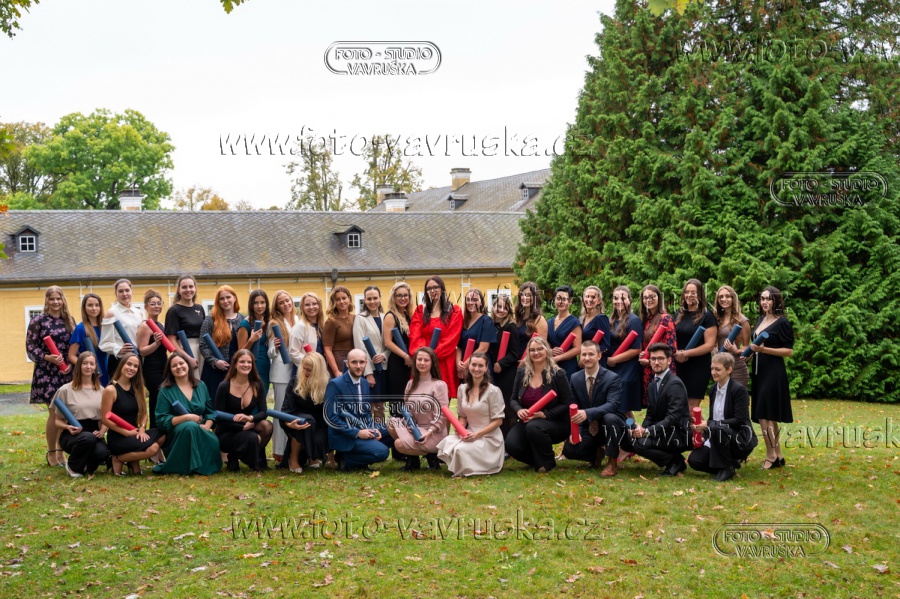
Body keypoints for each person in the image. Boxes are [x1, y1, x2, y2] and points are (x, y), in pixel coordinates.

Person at [505, 337, 573, 472]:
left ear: (547, 350)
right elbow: (513, 399)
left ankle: (547, 462)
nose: (536, 353)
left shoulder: (558, 374)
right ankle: (537, 460)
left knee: (534, 427)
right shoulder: (522, 373)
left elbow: (567, 403)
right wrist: (519, 410)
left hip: (555, 421)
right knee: (511, 444)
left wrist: (544, 414)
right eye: (532, 350)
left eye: (540, 349)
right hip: (528, 420)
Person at [688, 353, 758, 481]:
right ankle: (729, 464)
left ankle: (726, 469)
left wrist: (710, 425)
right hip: (717, 436)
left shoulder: (739, 390)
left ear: (729, 370)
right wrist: (704, 435)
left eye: (718, 369)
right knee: (695, 460)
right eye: (712, 369)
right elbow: (713, 418)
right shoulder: (713, 390)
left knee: (718, 428)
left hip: (738, 439)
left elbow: (739, 420)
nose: (713, 372)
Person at [746, 286, 794, 470]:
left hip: (773, 371)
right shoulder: (760, 319)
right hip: (759, 371)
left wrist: (764, 350)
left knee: (764, 414)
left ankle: (770, 455)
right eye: (762, 299)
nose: (765, 302)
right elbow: (755, 346)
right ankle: (778, 454)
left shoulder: (782, 322)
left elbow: (788, 351)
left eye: (769, 299)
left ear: (776, 301)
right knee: (769, 416)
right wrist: (748, 353)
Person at [27, 286, 75, 468]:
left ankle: (62, 451)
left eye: (58, 298)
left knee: (66, 413)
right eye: (52, 298)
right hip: (47, 372)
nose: (55, 302)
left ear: (63, 300)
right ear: (46, 300)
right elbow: (30, 347)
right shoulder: (38, 321)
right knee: (54, 412)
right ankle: (51, 452)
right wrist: (48, 357)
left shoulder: (69, 320)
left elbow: (74, 345)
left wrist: (70, 364)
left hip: (66, 371)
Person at [626, 343, 690, 476]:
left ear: (669, 360)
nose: (656, 362)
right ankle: (673, 459)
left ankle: (675, 461)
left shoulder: (675, 384)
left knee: (640, 444)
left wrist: (648, 432)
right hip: (662, 431)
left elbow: (673, 418)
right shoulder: (652, 385)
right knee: (632, 439)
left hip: (677, 434)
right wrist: (641, 430)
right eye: (653, 359)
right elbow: (650, 414)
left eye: (660, 358)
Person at [561, 340, 625, 476]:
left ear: (599, 356)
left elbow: (612, 405)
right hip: (588, 426)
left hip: (610, 425)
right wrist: (576, 431)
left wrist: (587, 413)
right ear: (580, 357)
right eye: (584, 354)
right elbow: (574, 407)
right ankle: (596, 454)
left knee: (610, 418)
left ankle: (612, 463)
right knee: (570, 450)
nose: (587, 358)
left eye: (591, 354)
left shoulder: (612, 378)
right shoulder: (575, 378)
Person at [437, 353, 505, 477]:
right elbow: (462, 415)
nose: (476, 369)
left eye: (480, 366)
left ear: (486, 368)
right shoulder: (462, 389)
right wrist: (460, 428)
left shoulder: (493, 391)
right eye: (473, 365)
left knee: (460, 449)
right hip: (469, 433)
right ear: (469, 366)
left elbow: (498, 421)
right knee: (446, 442)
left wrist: (477, 435)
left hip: (488, 437)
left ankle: (479, 465)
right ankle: (463, 465)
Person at [324, 349, 392, 472]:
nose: (358, 366)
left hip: (362, 428)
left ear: (366, 363)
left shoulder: (365, 383)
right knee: (382, 452)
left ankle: (360, 455)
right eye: (354, 362)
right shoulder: (335, 384)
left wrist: (372, 428)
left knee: (393, 429)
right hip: (344, 436)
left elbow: (366, 412)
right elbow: (332, 418)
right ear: (347, 364)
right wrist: (358, 433)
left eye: (361, 362)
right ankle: (345, 459)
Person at [153, 353, 221, 475]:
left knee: (213, 440)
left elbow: (210, 412)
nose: (178, 367)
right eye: (174, 365)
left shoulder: (201, 386)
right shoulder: (165, 390)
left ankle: (202, 465)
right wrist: (187, 417)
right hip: (176, 433)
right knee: (190, 426)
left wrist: (207, 426)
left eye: (181, 363)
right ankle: (187, 466)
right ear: (170, 370)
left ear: (188, 365)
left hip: (200, 428)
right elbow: (161, 420)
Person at [100, 354, 165, 475]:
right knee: (153, 448)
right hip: (119, 436)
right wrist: (127, 433)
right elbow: (105, 418)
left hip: (135, 432)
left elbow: (144, 413)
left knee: (163, 434)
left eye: (135, 366)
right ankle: (117, 458)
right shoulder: (111, 389)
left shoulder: (138, 388)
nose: (132, 368)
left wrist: (142, 429)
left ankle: (132, 460)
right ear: (121, 365)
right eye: (129, 364)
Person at [388, 347, 449, 471]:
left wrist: (430, 431)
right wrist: (408, 424)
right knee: (391, 423)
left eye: (426, 360)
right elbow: (408, 411)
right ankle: (413, 460)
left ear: (432, 363)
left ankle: (431, 455)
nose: (422, 363)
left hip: (433, 432)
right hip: (415, 428)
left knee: (399, 444)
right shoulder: (411, 384)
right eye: (419, 359)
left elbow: (442, 415)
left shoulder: (439, 385)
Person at [52, 351, 108, 478]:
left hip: (94, 431)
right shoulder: (65, 390)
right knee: (87, 438)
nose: (88, 366)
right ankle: (73, 466)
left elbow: (106, 417)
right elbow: (57, 421)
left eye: (91, 364)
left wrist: (102, 431)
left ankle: (87, 464)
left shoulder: (102, 391)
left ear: (95, 367)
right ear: (79, 366)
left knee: (102, 452)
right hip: (72, 434)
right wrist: (67, 427)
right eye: (85, 363)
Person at [215, 349, 273, 472]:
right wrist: (241, 427)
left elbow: (263, 412)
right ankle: (254, 463)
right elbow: (219, 418)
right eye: (242, 362)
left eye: (249, 362)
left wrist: (251, 418)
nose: (246, 365)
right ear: (235, 364)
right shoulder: (224, 386)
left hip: (247, 425)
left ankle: (234, 456)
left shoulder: (257, 385)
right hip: (227, 430)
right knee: (253, 438)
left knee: (267, 426)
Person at [409, 276, 463, 395]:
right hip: (423, 362)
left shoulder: (454, 311)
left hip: (443, 359)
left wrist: (432, 356)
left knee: (441, 398)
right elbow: (415, 336)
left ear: (442, 289)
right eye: (429, 288)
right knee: (421, 396)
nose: (432, 291)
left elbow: (451, 338)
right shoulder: (420, 311)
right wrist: (424, 357)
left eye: (435, 287)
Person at [673, 278, 718, 410]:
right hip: (678, 364)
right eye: (687, 292)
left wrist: (686, 353)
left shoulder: (707, 316)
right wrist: (676, 353)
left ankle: (695, 425)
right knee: (677, 405)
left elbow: (709, 345)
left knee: (691, 407)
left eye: (693, 292)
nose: (689, 295)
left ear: (700, 295)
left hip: (698, 367)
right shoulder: (679, 314)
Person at [281, 352, 330, 472]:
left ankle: (312, 457)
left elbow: (330, 412)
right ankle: (293, 458)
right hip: (296, 420)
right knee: (306, 422)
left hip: (319, 423)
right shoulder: (295, 381)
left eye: (309, 370)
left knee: (318, 430)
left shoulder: (328, 384)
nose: (305, 372)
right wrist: (289, 424)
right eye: (304, 368)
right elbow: (286, 410)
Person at [198, 285, 245, 401]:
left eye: (228, 297)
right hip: (214, 369)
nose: (225, 301)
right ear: (218, 301)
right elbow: (203, 345)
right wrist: (215, 361)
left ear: (234, 298)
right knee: (214, 400)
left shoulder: (243, 319)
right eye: (222, 299)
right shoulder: (211, 319)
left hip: (236, 369)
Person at [268, 290, 297, 464]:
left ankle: (293, 449)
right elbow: (270, 353)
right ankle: (278, 450)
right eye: (281, 302)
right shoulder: (274, 323)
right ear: (277, 307)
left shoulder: (298, 320)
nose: (286, 304)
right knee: (280, 410)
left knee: (294, 411)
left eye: (287, 300)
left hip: (298, 370)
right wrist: (277, 348)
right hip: (282, 373)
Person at [637, 284, 676, 414]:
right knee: (652, 407)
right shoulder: (647, 319)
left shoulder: (665, 318)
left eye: (652, 296)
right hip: (648, 370)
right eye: (645, 297)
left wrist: (651, 361)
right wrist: (643, 354)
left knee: (664, 405)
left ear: (659, 298)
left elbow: (671, 347)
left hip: (662, 367)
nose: (648, 300)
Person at [606, 285, 643, 420]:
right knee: (617, 407)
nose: (619, 301)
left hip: (627, 369)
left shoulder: (634, 320)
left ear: (630, 300)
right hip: (613, 368)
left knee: (624, 408)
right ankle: (627, 430)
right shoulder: (611, 320)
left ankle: (632, 430)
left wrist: (614, 360)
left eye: (623, 298)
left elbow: (637, 349)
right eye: (616, 298)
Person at [488, 294, 520, 437]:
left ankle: (509, 440)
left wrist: (501, 363)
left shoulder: (511, 327)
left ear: (509, 310)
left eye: (505, 308)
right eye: (498, 306)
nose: (501, 310)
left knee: (507, 407)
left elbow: (514, 353)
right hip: (493, 372)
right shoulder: (492, 325)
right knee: (495, 407)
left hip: (506, 373)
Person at [136, 289, 169, 428]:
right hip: (151, 369)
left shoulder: (161, 325)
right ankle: (155, 429)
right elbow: (142, 351)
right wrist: (156, 343)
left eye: (159, 303)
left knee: (164, 398)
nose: (156, 306)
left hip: (163, 367)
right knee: (156, 398)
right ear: (146, 307)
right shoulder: (145, 326)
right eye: (153, 304)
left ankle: (163, 426)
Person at [99, 278, 145, 377]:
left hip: (136, 358)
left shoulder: (138, 313)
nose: (124, 294)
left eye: (127, 290)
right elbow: (104, 343)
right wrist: (119, 349)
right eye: (120, 291)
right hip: (119, 361)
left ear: (132, 291)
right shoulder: (111, 313)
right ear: (116, 294)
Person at [164, 274, 205, 377]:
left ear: (195, 288)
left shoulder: (200, 308)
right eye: (184, 287)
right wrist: (187, 358)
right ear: (178, 290)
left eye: (191, 286)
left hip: (201, 350)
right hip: (185, 351)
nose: (188, 290)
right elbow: (171, 340)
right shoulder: (173, 311)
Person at [353, 285, 389, 400]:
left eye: (375, 298)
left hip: (386, 367)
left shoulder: (386, 317)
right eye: (369, 299)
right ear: (364, 300)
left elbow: (390, 343)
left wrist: (384, 355)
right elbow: (360, 347)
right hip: (371, 369)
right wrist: (368, 373)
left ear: (380, 298)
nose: (372, 301)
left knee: (384, 405)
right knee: (374, 405)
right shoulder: (360, 318)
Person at [456, 288, 497, 383]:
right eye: (468, 299)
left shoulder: (486, 321)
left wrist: (466, 365)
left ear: (481, 302)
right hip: (464, 367)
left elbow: (483, 348)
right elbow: (459, 346)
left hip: (479, 365)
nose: (471, 302)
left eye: (475, 300)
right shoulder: (463, 321)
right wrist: (458, 363)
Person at [382, 282, 414, 400]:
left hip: (409, 363)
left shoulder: (408, 315)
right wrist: (406, 356)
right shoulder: (390, 316)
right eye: (399, 295)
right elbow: (388, 342)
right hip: (397, 362)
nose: (403, 298)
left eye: (405, 295)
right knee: (398, 398)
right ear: (393, 298)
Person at [68, 292, 108, 386]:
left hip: (106, 370)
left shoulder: (105, 327)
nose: (94, 308)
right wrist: (87, 366)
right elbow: (71, 355)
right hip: (89, 374)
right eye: (90, 305)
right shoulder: (80, 328)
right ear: (84, 308)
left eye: (97, 305)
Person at [715, 285, 751, 387]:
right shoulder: (717, 318)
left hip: (736, 367)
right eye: (721, 297)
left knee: (736, 396)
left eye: (727, 296)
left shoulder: (742, 320)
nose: (724, 299)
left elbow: (747, 347)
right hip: (720, 367)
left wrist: (736, 351)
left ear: (733, 298)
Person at [547, 285, 582, 377]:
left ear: (570, 301)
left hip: (568, 366)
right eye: (558, 298)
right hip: (551, 365)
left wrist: (558, 358)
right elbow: (545, 343)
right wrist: (549, 351)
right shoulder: (549, 322)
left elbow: (577, 349)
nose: (561, 302)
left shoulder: (574, 322)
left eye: (564, 299)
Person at [241, 289, 271, 394]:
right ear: (251, 305)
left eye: (262, 302)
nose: (259, 306)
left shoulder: (268, 321)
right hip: (252, 366)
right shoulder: (245, 324)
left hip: (266, 365)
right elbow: (240, 352)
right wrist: (251, 340)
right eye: (256, 303)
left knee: (263, 396)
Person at [323, 285, 356, 378]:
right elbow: (327, 350)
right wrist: (336, 371)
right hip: (339, 360)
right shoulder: (331, 321)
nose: (341, 301)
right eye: (338, 299)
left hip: (354, 359)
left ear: (349, 299)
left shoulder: (355, 318)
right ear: (334, 302)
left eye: (344, 298)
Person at [289, 292, 324, 366]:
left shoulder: (322, 326)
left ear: (319, 305)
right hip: (306, 369)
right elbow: (294, 353)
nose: (311, 307)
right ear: (302, 308)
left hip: (322, 368)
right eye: (307, 305)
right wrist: (311, 364)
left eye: (314, 304)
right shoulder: (299, 327)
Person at [580, 285, 611, 367]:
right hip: (584, 362)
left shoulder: (601, 318)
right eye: (587, 296)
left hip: (597, 363)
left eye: (593, 297)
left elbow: (606, 344)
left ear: (599, 300)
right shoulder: (582, 319)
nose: (589, 299)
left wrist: (590, 356)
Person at [513, 281, 548, 355]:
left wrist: (525, 360)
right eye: (523, 295)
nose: (525, 298)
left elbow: (542, 347)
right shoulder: (517, 318)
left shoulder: (539, 319)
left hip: (529, 360)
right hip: (514, 360)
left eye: (529, 295)